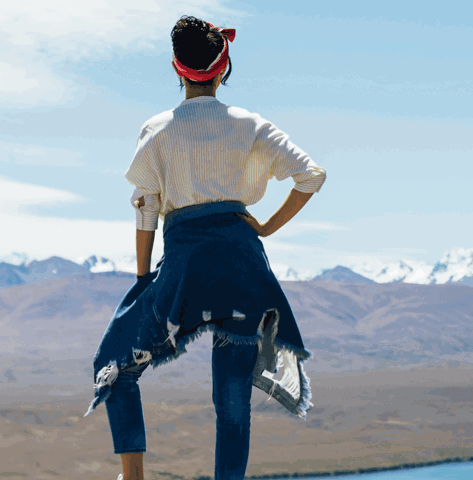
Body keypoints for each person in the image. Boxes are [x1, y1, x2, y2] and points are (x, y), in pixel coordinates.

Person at [87, 15, 324, 480]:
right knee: (232, 397)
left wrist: (142, 279)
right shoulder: (251, 125)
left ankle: (132, 477)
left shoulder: (156, 130)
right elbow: (311, 175)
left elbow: (146, 209)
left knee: (114, 363)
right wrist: (269, 227)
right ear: (224, 69)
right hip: (243, 265)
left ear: (178, 72)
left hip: (185, 262)